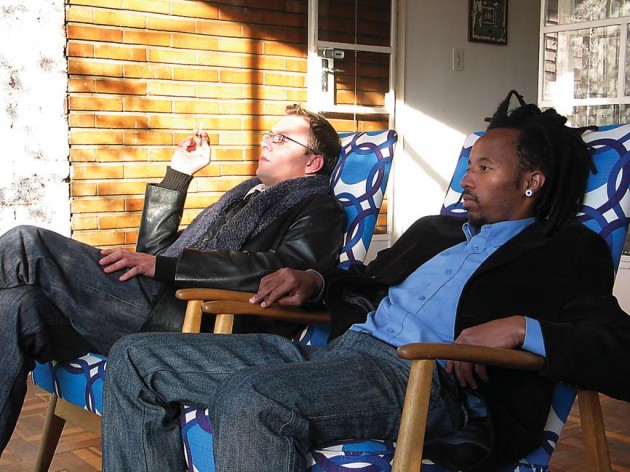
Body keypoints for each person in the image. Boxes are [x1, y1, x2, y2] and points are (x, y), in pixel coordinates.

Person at [101, 91, 630, 471]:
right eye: (469, 165)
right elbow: (365, 280)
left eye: (485, 168)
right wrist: (314, 279)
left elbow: (618, 349)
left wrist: (520, 328)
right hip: (342, 353)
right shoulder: (436, 232)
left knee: (253, 397)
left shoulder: (564, 252)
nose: (466, 179)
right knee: (136, 358)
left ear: (532, 181)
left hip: (419, 380)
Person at [0, 104, 346, 454]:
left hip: (191, 319)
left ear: (313, 162)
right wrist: (179, 174)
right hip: (156, 303)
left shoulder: (319, 208)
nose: (266, 142)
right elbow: (155, 253)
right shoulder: (244, 197)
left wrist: (167, 268)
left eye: (281, 139)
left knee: (26, 243)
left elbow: (284, 269)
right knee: (17, 304)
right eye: (269, 134)